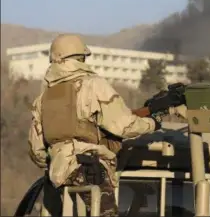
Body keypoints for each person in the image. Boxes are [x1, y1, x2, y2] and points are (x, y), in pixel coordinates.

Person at [28, 34, 165, 217]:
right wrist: (153, 123)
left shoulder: (43, 99)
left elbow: (36, 151)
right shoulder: (92, 85)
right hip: (89, 170)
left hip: (58, 178)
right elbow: (125, 125)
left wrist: (58, 157)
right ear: (81, 58)